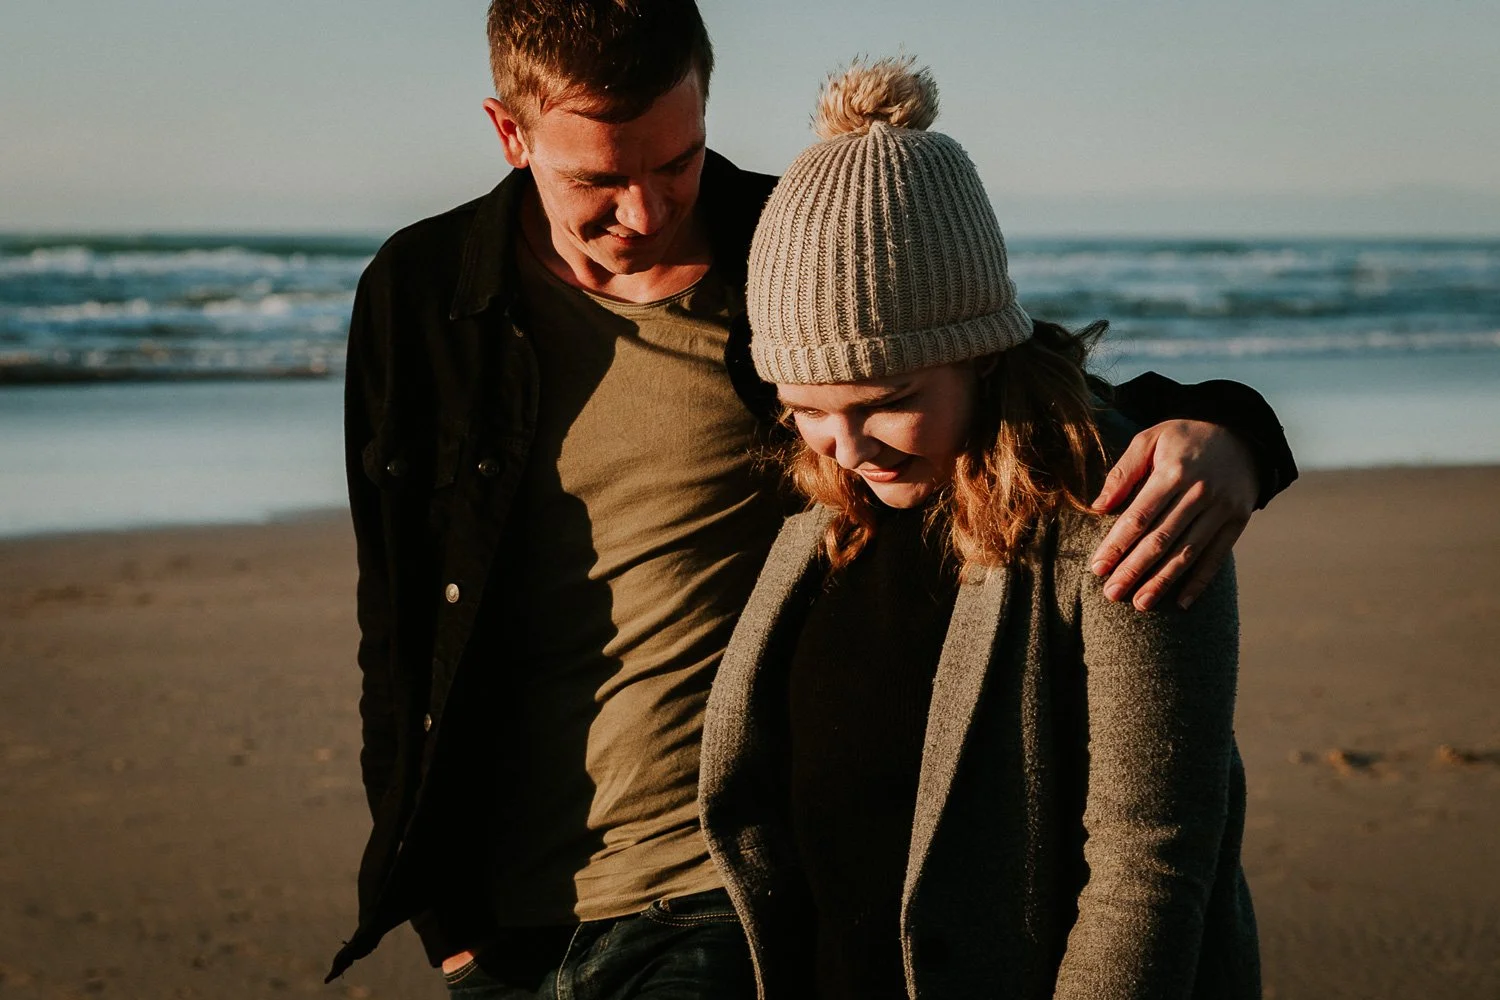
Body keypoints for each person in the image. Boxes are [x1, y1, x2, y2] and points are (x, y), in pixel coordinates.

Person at [327, 4, 1293, 997]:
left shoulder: (792, 241)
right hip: (504, 917)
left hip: (705, 901)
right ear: (508, 133)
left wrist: (1237, 432)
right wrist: (442, 917)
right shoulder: (421, 293)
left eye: (677, 162)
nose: (649, 210)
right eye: (597, 180)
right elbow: (396, 617)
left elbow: (991, 366)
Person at [698, 59, 1259, 1000]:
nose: (846, 448)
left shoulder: (1120, 516)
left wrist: (1243, 434)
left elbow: (1149, 873)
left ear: (982, 355)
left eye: (890, 400)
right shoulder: (820, 528)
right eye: (806, 407)